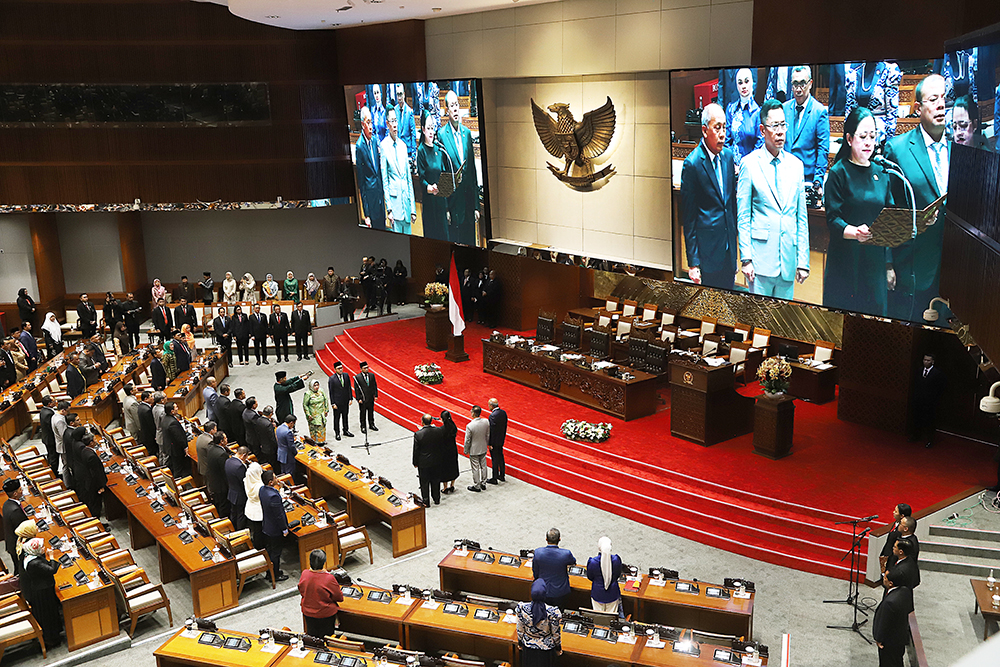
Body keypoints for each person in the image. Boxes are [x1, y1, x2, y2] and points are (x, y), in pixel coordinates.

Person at [884, 74, 950, 322]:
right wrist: (887, 263)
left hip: (956, 269)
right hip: (913, 267)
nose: (941, 104)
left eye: (945, 98)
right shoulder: (898, 149)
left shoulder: (961, 144)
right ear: (917, 108)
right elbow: (888, 209)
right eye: (933, 99)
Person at [737, 99, 810, 299]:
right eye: (774, 126)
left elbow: (801, 217)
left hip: (788, 260)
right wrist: (746, 259)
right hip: (760, 261)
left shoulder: (796, 166)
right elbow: (743, 216)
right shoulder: (749, 164)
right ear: (762, 130)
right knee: (759, 323)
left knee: (783, 322)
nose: (780, 131)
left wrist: (803, 261)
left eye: (783, 125)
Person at [822, 107, 892, 316]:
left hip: (875, 262)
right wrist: (854, 232)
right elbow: (833, 219)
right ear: (849, 139)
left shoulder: (882, 171)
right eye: (863, 136)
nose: (869, 142)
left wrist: (889, 264)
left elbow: (890, 216)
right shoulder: (838, 173)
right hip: (846, 261)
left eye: (872, 136)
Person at [680, 103, 739, 290]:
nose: (723, 133)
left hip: (728, 251)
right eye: (717, 127)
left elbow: (730, 206)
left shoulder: (728, 158)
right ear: (705, 131)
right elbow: (688, 219)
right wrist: (693, 263)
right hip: (707, 255)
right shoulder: (693, 164)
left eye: (724, 127)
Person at [782, 66, 830, 199]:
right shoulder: (785, 108)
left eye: (802, 83)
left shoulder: (819, 111)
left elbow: (823, 149)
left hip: (806, 179)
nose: (798, 89)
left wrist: (817, 181)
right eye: (795, 84)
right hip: (784, 177)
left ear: (810, 84)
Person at [440, 90, 480, 246]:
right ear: (447, 110)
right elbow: (443, 173)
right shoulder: (442, 135)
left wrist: (476, 205)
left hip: (469, 205)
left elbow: (472, 172)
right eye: (452, 106)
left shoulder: (467, 133)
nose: (455, 109)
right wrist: (446, 209)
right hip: (454, 206)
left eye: (456, 104)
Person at [845, 61, 902, 145]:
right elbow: (849, 110)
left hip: (879, 133)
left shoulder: (889, 71)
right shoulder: (854, 72)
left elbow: (892, 110)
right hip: (858, 131)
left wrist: (888, 140)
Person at [20, 538, 63, 648]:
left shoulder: (30, 557)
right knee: (48, 615)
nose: (44, 548)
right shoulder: (35, 563)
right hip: (43, 592)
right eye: (41, 547)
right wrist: (52, 557)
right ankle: (51, 640)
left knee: (50, 613)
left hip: (41, 589)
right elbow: (51, 570)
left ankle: (54, 635)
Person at [380, 106, 416, 235]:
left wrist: (413, 208)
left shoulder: (403, 146)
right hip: (394, 207)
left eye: (396, 121)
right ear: (387, 124)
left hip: (406, 204)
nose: (395, 125)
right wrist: (388, 209)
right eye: (392, 121)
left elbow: (408, 179)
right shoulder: (383, 146)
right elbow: (385, 180)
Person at [416, 110, 449, 241]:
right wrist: (429, 187)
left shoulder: (439, 149)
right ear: (423, 129)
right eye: (428, 128)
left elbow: (445, 172)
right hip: (430, 205)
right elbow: (422, 179)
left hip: (441, 203)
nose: (431, 131)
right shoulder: (421, 151)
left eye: (433, 128)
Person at [516, 579, 562, 667]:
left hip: (528, 648)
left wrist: (520, 643)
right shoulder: (553, 612)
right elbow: (555, 633)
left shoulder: (522, 608)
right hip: (547, 650)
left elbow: (520, 629)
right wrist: (558, 647)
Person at [299, 549, 344, 638]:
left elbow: (301, 591)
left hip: (308, 612)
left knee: (313, 637)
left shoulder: (304, 573)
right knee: (326, 638)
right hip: (325, 614)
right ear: (324, 562)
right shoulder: (329, 578)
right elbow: (339, 597)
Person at [872, 569, 913, 667]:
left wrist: (879, 638)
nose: (883, 578)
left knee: (888, 663)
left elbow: (884, 622)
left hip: (890, 642)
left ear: (890, 583)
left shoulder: (889, 603)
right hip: (900, 637)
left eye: (885, 577)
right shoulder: (905, 591)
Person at [355, 107, 387, 230]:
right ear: (363, 124)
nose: (371, 126)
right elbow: (361, 183)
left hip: (380, 197)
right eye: (368, 122)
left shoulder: (374, 141)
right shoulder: (359, 147)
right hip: (371, 200)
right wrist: (366, 213)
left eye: (372, 122)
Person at [725, 68, 762, 167]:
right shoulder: (731, 110)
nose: (744, 86)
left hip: (752, 167)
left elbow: (760, 144)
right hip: (732, 167)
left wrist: (744, 165)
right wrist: (732, 163)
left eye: (747, 81)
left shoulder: (758, 112)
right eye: (740, 83)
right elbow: (726, 140)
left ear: (752, 82)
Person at [259, 470, 290, 582]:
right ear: (271, 482)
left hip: (266, 526)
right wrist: (284, 529)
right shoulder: (273, 496)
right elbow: (279, 515)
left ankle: (269, 572)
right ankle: (275, 575)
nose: (277, 479)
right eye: (275, 477)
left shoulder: (262, 490)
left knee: (270, 551)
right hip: (275, 529)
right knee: (276, 553)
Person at [532, 528, 575, 608]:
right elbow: (573, 562)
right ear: (559, 539)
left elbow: (535, 572)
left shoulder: (538, 552)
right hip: (560, 591)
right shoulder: (566, 554)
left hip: (543, 590)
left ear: (546, 539)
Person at [912, 353, 945, 448]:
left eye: (928, 360)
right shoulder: (919, 371)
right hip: (919, 400)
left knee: (929, 422)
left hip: (930, 403)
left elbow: (939, 389)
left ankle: (930, 440)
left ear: (933, 362)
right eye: (924, 360)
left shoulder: (937, 373)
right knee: (917, 419)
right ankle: (916, 436)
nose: (925, 362)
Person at [586, 536, 622, 614]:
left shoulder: (592, 562)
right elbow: (618, 574)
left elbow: (590, 576)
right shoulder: (616, 560)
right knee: (611, 618)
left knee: (598, 617)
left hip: (597, 593)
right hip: (612, 593)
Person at [413, 414, 443, 506]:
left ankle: (426, 501)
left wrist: (415, 462)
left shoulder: (418, 434)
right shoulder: (438, 431)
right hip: (436, 461)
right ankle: (437, 499)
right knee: (436, 480)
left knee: (424, 482)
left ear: (422, 422)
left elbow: (416, 450)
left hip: (424, 462)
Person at [3, 478, 28, 573]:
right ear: (15, 494)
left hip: (11, 543)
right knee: (21, 570)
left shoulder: (7, 504)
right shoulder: (15, 510)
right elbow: (24, 528)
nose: (22, 491)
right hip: (18, 546)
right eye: (20, 490)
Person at [78, 432, 107, 517]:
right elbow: (95, 473)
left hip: (87, 482)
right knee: (96, 505)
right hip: (93, 486)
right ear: (91, 443)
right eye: (94, 440)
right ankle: (97, 522)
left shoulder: (84, 450)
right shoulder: (91, 456)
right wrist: (100, 486)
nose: (96, 441)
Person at [204, 432, 232, 517]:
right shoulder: (222, 454)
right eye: (225, 438)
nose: (227, 440)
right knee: (224, 506)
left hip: (213, 482)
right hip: (221, 486)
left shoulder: (211, 448)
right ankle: (225, 522)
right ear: (222, 441)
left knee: (219, 503)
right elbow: (225, 471)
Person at [464, 405, 490, 492]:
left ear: (473, 413)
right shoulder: (486, 422)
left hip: (474, 450)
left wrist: (466, 450)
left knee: (475, 468)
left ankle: (477, 485)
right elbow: (487, 434)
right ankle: (484, 483)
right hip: (483, 447)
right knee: (483, 466)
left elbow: (468, 440)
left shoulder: (470, 426)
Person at [162, 402, 191, 477]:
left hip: (169, 446)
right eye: (176, 407)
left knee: (175, 465)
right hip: (175, 449)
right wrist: (185, 447)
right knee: (178, 467)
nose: (177, 408)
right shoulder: (172, 423)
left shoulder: (165, 418)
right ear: (172, 411)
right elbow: (179, 438)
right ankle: (179, 483)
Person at [225, 446, 250, 529]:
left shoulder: (228, 461)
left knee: (233, 514)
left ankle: (233, 529)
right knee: (240, 516)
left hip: (232, 493)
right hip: (240, 496)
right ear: (243, 455)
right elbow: (244, 482)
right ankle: (240, 533)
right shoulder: (240, 467)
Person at [328, 361, 354, 441]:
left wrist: (350, 398)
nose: (340, 370)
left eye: (341, 368)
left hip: (345, 400)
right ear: (335, 369)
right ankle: (337, 433)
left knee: (345, 416)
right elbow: (331, 392)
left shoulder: (346, 376)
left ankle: (345, 430)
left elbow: (349, 387)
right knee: (337, 418)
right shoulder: (332, 379)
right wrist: (333, 403)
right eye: (338, 368)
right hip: (337, 402)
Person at [244, 461, 266, 549]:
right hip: (258, 511)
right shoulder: (260, 486)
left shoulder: (247, 480)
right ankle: (260, 548)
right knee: (259, 531)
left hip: (250, 508)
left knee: (255, 530)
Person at [353, 361, 378, 434]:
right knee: (363, 413)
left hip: (370, 398)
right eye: (365, 368)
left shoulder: (371, 375)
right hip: (363, 399)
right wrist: (358, 398)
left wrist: (375, 395)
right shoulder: (358, 377)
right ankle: (363, 426)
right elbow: (356, 389)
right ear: (361, 369)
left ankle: (371, 424)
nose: (367, 369)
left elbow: (374, 386)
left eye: (367, 367)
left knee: (371, 412)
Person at [487, 398, 507, 485]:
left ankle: (494, 477)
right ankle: (502, 475)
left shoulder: (492, 416)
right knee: (501, 457)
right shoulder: (503, 413)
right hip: (501, 439)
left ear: (491, 406)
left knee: (494, 459)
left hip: (494, 441)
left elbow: (492, 431)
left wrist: (490, 443)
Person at [256, 406, 280, 473]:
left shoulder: (258, 420)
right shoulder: (268, 424)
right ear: (270, 414)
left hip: (263, 445)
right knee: (274, 464)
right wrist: (277, 447)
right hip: (270, 449)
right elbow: (272, 438)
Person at [39, 395, 57, 473]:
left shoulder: (44, 410)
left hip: (47, 437)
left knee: (51, 455)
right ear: (49, 404)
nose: (56, 402)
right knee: (53, 457)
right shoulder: (48, 414)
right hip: (50, 439)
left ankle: (53, 471)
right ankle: (54, 473)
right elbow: (51, 427)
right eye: (54, 401)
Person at [137, 391, 157, 457]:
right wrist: (156, 435)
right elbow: (151, 425)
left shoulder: (140, 406)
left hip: (144, 434)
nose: (153, 398)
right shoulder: (147, 410)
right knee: (152, 452)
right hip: (149, 436)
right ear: (146, 399)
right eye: (151, 397)